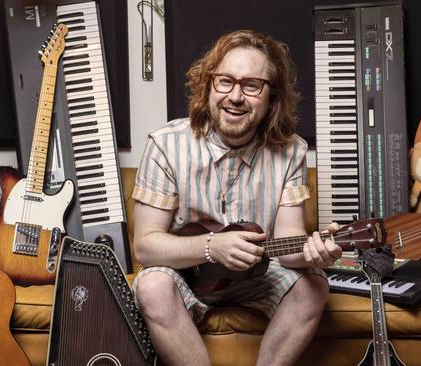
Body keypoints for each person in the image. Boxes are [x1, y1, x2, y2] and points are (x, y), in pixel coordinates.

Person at [132, 29, 342, 366]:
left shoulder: (292, 152)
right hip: (185, 277)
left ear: (272, 97)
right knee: (151, 285)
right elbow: (144, 246)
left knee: (314, 286)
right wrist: (211, 246)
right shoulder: (165, 145)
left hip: (257, 278)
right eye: (225, 81)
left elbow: (288, 244)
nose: (235, 96)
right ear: (209, 85)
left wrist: (314, 254)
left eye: (251, 85)